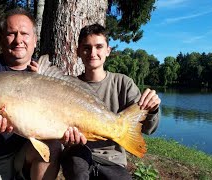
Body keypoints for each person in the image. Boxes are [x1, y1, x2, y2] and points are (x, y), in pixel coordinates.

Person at [0, 8, 61, 180]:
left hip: (29, 153)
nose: (18, 40)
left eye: (24, 33)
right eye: (11, 33)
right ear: (1, 38)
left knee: (53, 145)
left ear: (35, 40)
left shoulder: (44, 74)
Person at [60, 23, 161, 180]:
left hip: (112, 159)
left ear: (108, 50)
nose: (93, 52)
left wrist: (152, 109)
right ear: (79, 51)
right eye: (86, 47)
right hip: (76, 152)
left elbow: (148, 129)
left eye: (99, 47)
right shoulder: (66, 85)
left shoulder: (124, 83)